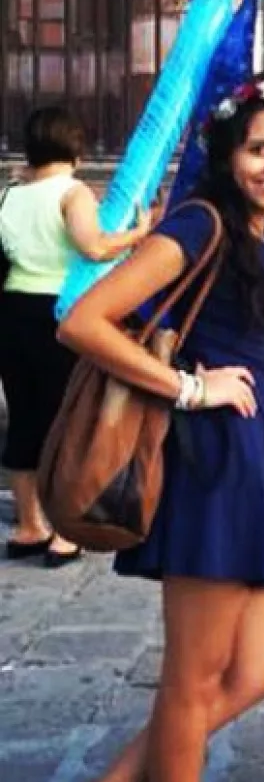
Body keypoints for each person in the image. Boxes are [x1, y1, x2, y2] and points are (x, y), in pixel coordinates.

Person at [27, 71, 264, 782]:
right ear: (228, 156)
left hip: (258, 462)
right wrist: (190, 388)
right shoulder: (200, 223)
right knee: (192, 682)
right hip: (211, 464)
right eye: (260, 149)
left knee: (256, 672)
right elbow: (83, 320)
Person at [0, 106, 151, 568]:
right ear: (76, 148)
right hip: (60, 314)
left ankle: (29, 526)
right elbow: (95, 246)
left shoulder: (9, 195)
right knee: (65, 419)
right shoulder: (72, 192)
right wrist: (138, 234)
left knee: (24, 416)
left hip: (12, 310)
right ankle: (65, 534)